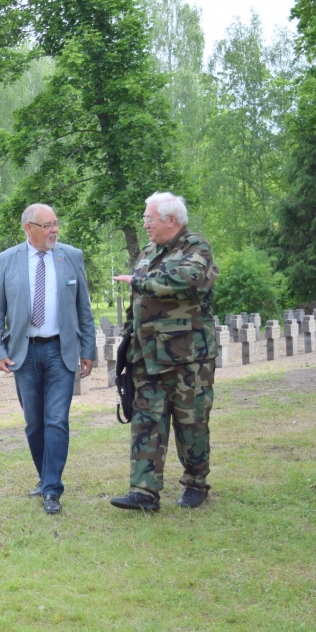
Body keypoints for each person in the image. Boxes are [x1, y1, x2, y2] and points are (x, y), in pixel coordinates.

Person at [110, 192, 219, 512]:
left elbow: (190, 280)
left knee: (191, 423)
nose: (145, 225)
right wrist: (130, 335)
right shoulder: (147, 251)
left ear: (171, 220)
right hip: (147, 356)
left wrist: (142, 281)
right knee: (146, 421)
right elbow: (137, 302)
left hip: (189, 358)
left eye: (149, 219)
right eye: (145, 219)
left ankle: (196, 482)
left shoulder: (196, 248)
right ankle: (144, 491)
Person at [0, 204, 96, 514]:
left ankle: (52, 490)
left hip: (60, 350)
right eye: (47, 225)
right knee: (34, 423)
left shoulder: (70, 256)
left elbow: (83, 309)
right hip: (24, 352)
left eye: (55, 224)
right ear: (28, 228)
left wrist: (87, 349)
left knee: (56, 420)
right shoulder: (6, 260)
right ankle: (44, 477)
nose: (54, 230)